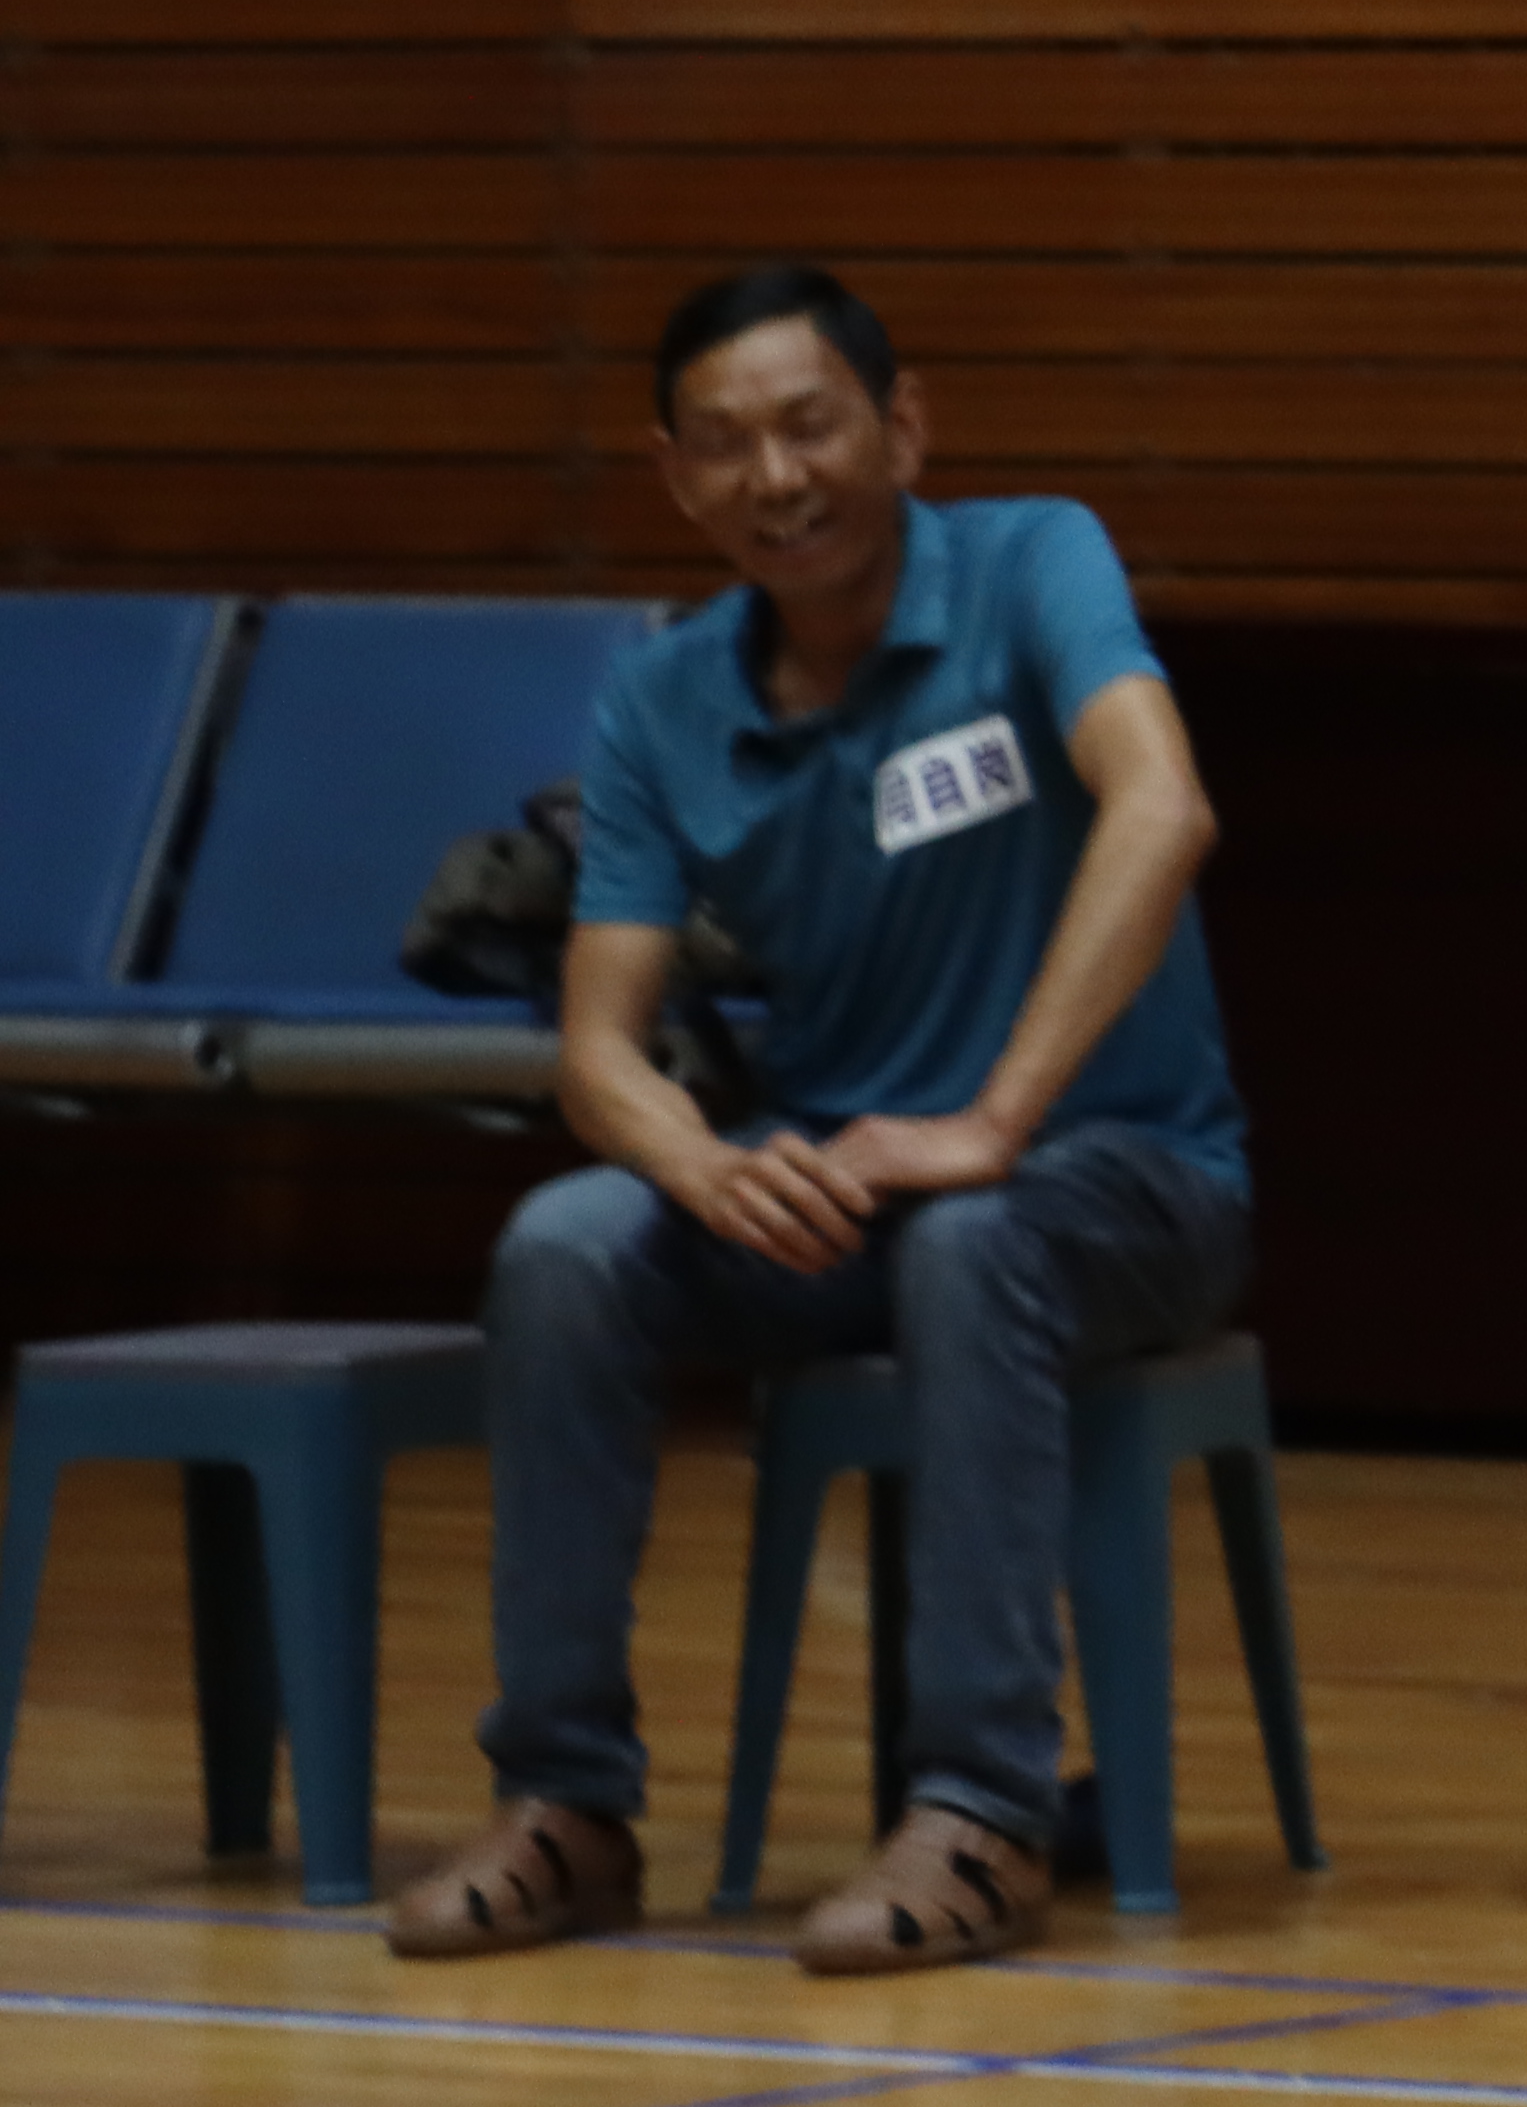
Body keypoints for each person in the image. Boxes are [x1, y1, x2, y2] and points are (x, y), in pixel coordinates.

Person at [391, 266, 1252, 1979]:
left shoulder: (1030, 566)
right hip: (845, 1193)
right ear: (677, 477)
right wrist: (699, 1164)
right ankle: (568, 1800)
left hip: (1122, 1176)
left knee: (977, 1242)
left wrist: (997, 1119)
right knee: (565, 1245)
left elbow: (1161, 811)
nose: (776, 478)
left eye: (811, 426)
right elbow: (597, 1049)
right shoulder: (665, 699)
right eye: (725, 446)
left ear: (901, 426)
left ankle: (986, 1812)